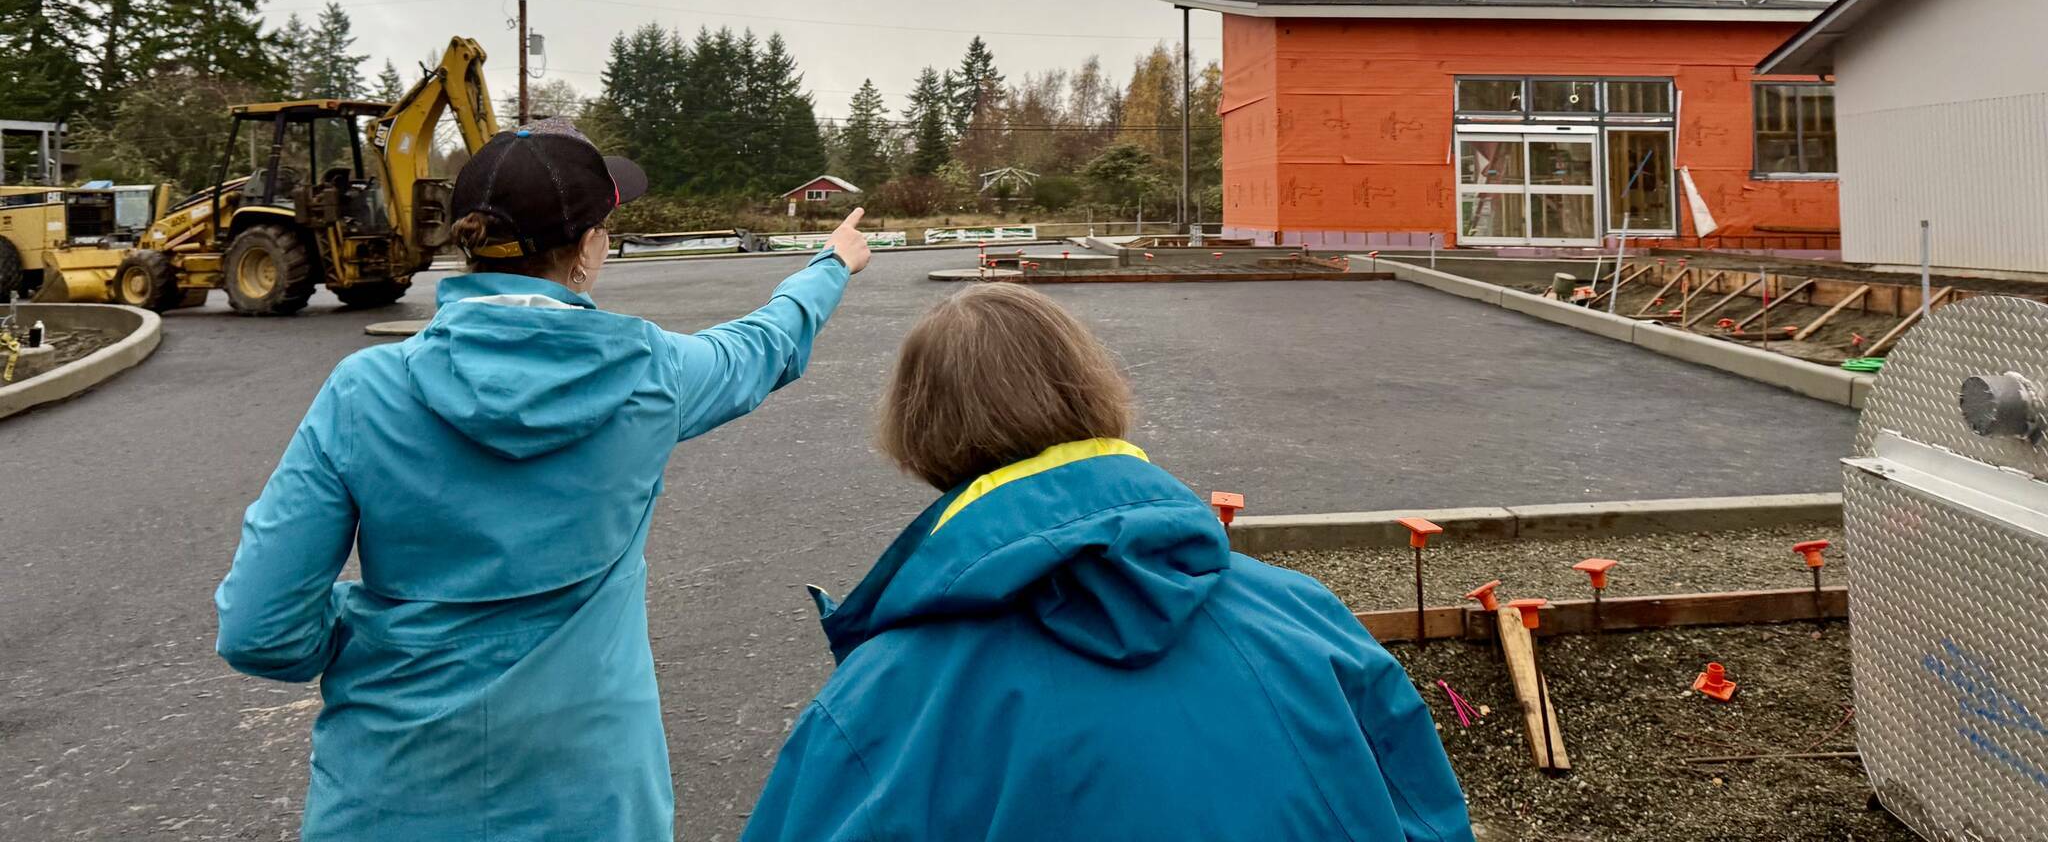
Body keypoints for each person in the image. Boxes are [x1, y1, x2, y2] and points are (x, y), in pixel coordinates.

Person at [214, 119, 870, 841]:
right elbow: (763, 346)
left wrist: (387, 632)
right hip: (591, 798)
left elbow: (261, 630)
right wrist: (829, 265)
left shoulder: (364, 392)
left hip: (390, 798)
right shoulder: (652, 375)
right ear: (588, 248)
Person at [743, 282, 1474, 842]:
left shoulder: (886, 700)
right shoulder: (1303, 612)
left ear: (919, 432)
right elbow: (1426, 814)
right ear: (1092, 391)